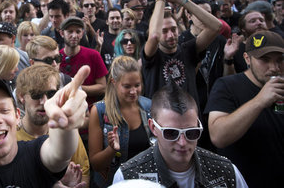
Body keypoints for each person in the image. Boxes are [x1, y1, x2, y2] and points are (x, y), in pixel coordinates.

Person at [113, 82, 248, 188]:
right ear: (153, 127)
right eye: (171, 133)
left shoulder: (225, 171)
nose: (182, 142)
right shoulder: (128, 176)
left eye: (191, 133)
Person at [205, 30, 284, 188]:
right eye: (265, 60)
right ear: (247, 58)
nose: (274, 67)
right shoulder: (227, 86)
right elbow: (218, 136)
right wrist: (259, 101)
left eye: (280, 60)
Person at [142, 0, 222, 112]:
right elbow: (154, 36)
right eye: (165, 31)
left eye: (173, 29)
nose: (170, 35)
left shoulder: (188, 50)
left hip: (189, 122)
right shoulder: (151, 54)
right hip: (161, 124)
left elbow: (216, 27)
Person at [16, 64, 90, 187]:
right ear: (21, 96)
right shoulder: (10, 137)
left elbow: (84, 177)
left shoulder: (67, 132)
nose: (44, 101)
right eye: (36, 94)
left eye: (51, 94)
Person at [89, 56, 152, 187]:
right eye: (127, 86)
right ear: (114, 82)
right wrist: (111, 150)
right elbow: (95, 164)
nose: (133, 91)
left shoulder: (148, 107)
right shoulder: (100, 111)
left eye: (137, 85)